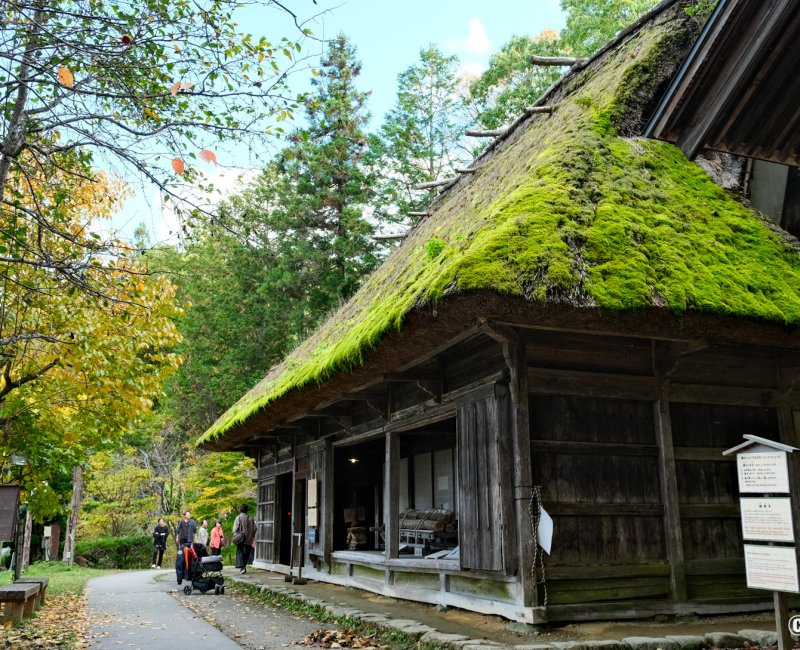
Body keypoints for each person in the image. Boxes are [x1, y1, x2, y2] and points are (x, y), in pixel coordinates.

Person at [233, 504, 256, 575]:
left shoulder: (238, 517)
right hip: (249, 539)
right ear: (247, 510)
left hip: (240, 538)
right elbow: (255, 528)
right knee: (247, 553)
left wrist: (236, 535)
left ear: (240, 510)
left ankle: (242, 568)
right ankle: (243, 567)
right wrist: (252, 536)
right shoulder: (251, 518)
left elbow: (235, 529)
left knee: (240, 551)